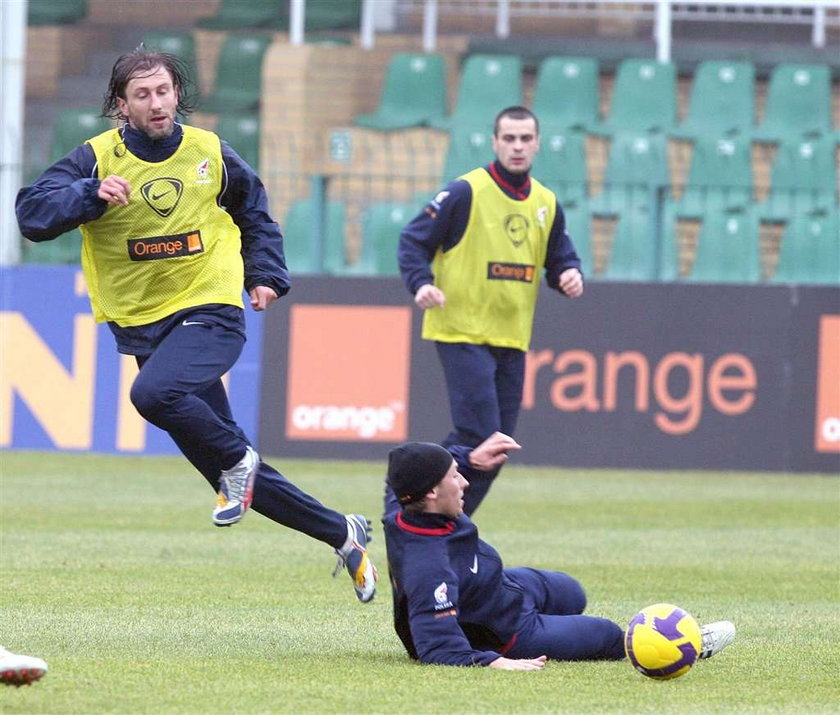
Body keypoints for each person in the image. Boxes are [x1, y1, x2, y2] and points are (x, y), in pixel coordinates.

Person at [15, 48, 377, 603]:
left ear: (177, 94)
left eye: (163, 91)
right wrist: (90, 195)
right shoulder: (95, 160)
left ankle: (238, 462)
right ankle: (341, 533)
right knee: (232, 470)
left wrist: (265, 274)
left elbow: (254, 211)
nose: (156, 103)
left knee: (155, 394)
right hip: (144, 322)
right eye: (143, 95)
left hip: (210, 306)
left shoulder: (210, 151)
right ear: (121, 105)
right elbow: (31, 215)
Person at [382, 440, 737, 669]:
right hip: (509, 630)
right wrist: (495, 663)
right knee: (609, 635)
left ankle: (545, 609)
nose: (464, 483)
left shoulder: (407, 503)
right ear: (430, 493)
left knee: (572, 592)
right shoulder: (429, 568)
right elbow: (437, 647)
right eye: (455, 476)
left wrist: (470, 460)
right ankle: (688, 643)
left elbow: (406, 470)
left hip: (503, 587)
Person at [398, 105, 584, 516]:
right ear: (495, 142)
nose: (517, 146)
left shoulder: (546, 203)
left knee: (496, 443)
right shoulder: (466, 191)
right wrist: (422, 283)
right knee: (480, 435)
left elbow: (560, 258)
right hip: (461, 328)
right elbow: (413, 241)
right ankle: (408, 503)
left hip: (511, 336)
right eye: (509, 138)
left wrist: (570, 274)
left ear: (537, 144)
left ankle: (442, 518)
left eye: (525, 139)